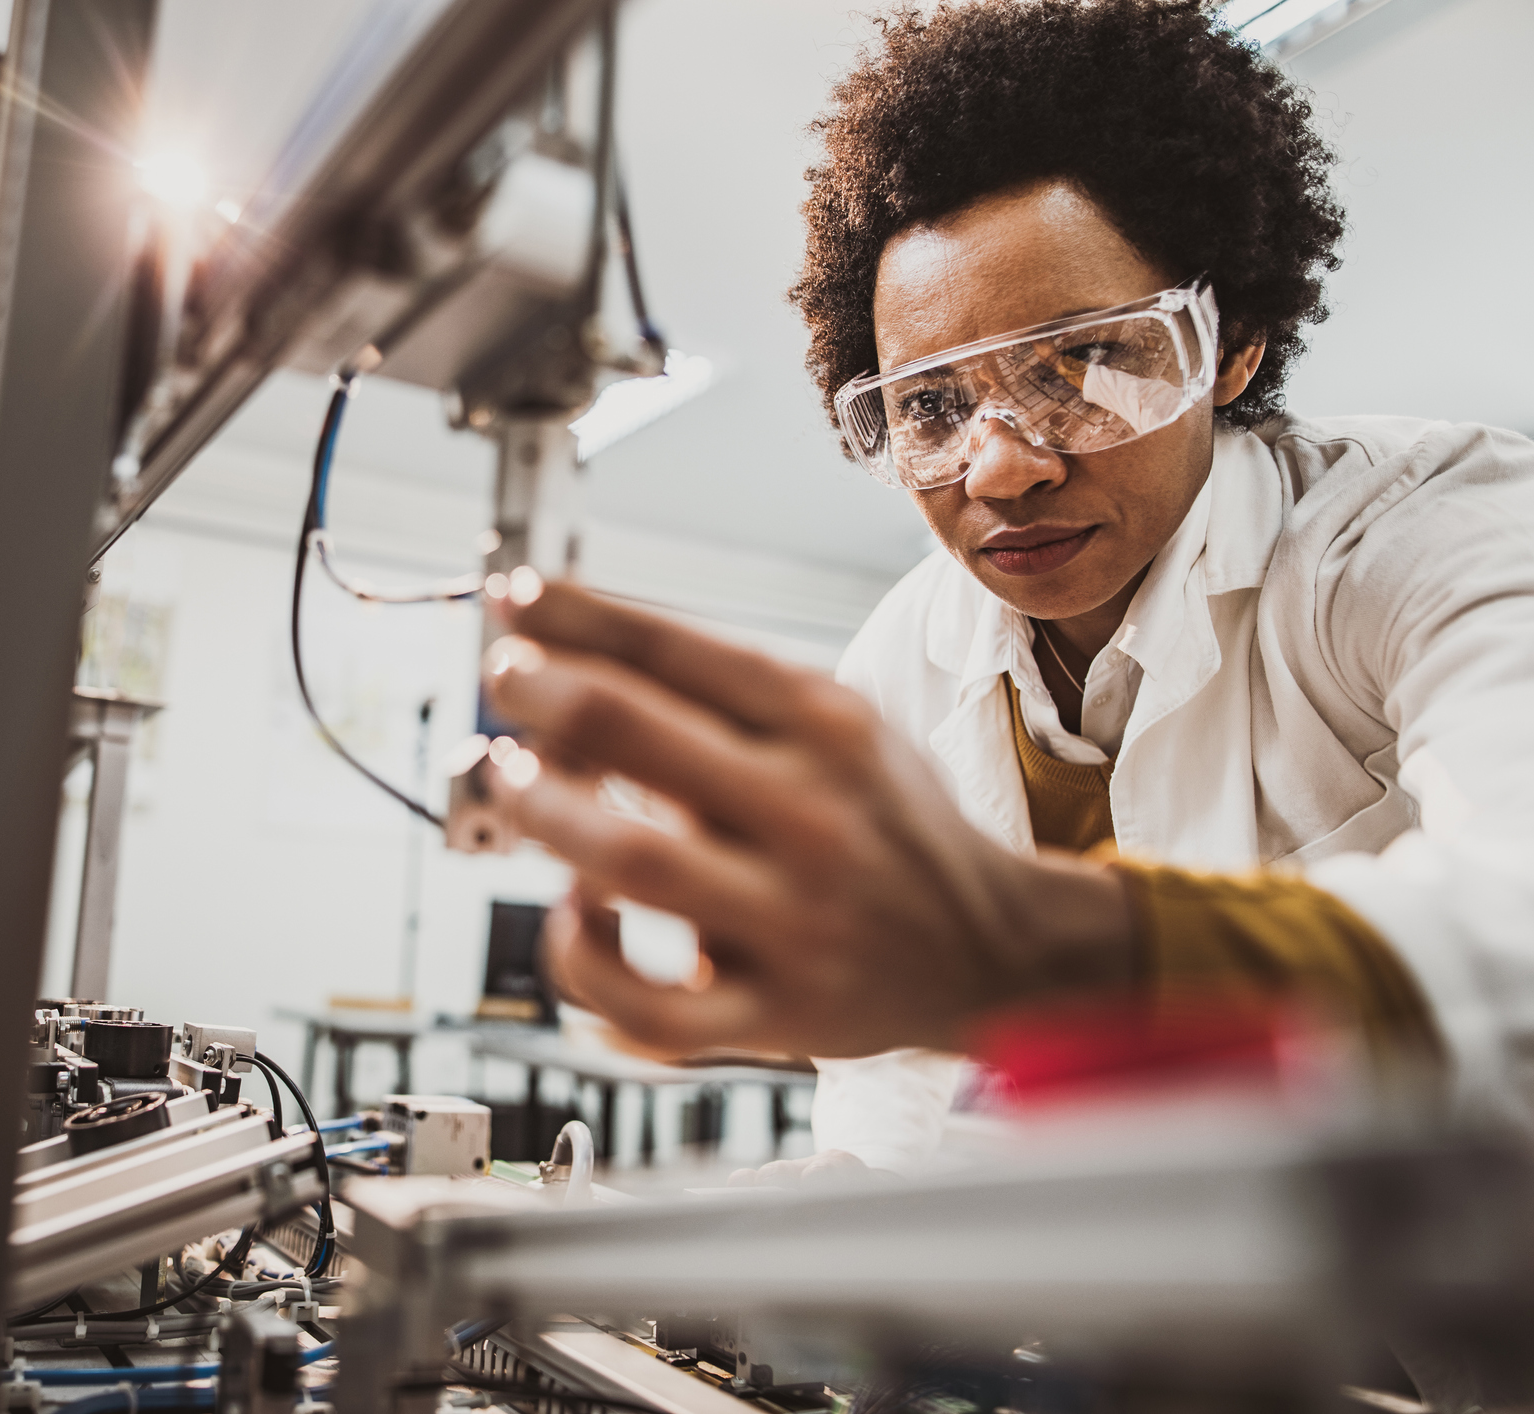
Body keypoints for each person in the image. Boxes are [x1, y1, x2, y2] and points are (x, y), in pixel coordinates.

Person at [475, 0, 1534, 1169]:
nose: (1003, 466)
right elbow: (887, 1065)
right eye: (930, 405)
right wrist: (844, 1219)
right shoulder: (906, 653)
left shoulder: (1431, 534)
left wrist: (1035, 946)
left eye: (1083, 364)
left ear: (1233, 341)